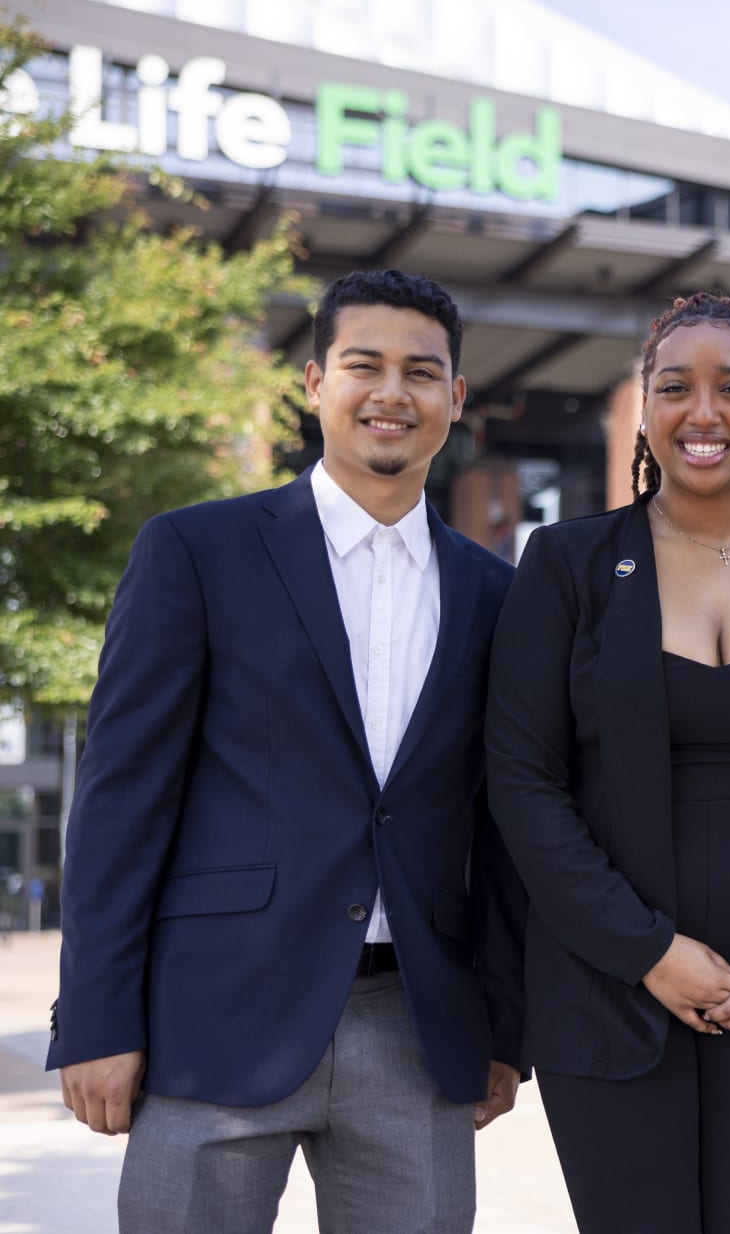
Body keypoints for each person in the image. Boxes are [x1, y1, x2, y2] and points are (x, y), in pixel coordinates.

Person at [48, 269, 527, 1232]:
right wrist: (97, 1018)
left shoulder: (498, 593)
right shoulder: (194, 552)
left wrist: (503, 1027)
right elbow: (120, 801)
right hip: (211, 1023)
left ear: (455, 399)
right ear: (315, 384)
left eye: (422, 373)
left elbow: (504, 826)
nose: (393, 393)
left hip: (417, 1028)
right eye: (365, 365)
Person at [485, 293, 730, 1233]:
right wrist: (648, 952)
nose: (704, 413)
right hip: (610, 991)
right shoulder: (568, 565)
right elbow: (524, 784)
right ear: (645, 406)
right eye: (676, 388)